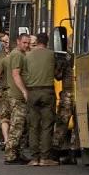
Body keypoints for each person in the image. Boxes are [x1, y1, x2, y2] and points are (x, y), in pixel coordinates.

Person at [12, 33, 57, 166]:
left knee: (33, 126)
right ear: (47, 42)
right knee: (47, 125)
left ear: (36, 42)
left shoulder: (27, 55)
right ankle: (45, 158)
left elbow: (24, 73)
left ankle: (34, 158)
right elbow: (56, 71)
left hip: (32, 92)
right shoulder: (51, 54)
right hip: (47, 91)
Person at [3, 33, 31, 164]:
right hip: (17, 96)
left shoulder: (19, 54)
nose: (27, 45)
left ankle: (17, 153)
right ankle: (10, 155)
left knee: (22, 126)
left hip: (16, 96)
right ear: (18, 41)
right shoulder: (17, 55)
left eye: (28, 43)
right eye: (24, 42)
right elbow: (16, 74)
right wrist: (24, 91)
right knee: (17, 126)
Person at [52, 45, 77, 164]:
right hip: (81, 93)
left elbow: (58, 76)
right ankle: (72, 153)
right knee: (77, 127)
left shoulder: (66, 59)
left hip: (68, 93)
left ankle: (55, 153)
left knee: (62, 124)